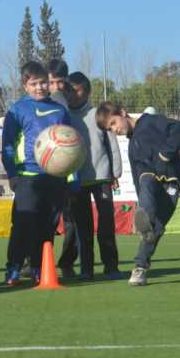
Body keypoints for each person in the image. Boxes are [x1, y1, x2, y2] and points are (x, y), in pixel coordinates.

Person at [96, 101, 180, 284]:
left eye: (114, 123)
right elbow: (139, 179)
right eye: (109, 128)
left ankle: (146, 235)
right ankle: (139, 266)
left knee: (158, 227)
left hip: (171, 181)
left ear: (123, 112)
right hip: (150, 182)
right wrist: (141, 200)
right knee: (146, 178)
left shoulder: (150, 122)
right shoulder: (132, 147)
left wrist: (165, 154)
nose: (114, 129)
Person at [1, 62, 73, 286]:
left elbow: (73, 145)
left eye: (44, 82)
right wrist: (12, 173)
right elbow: (8, 145)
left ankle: (39, 267)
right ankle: (13, 267)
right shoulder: (17, 110)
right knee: (23, 223)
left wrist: (72, 177)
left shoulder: (60, 111)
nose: (40, 87)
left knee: (46, 225)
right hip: (27, 176)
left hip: (55, 177)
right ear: (25, 85)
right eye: (34, 84)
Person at [56, 72, 124, 280]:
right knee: (83, 227)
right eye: (70, 90)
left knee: (106, 224)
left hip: (102, 178)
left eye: (79, 90)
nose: (74, 95)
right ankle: (87, 269)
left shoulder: (98, 114)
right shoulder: (64, 115)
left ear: (87, 92)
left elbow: (112, 145)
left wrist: (115, 172)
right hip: (77, 180)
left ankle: (111, 266)